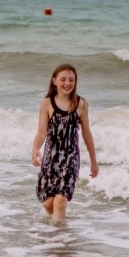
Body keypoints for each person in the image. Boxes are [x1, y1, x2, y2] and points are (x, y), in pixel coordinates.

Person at [31, 63, 98, 220]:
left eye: (71, 80)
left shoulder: (80, 104)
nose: (67, 83)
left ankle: (57, 240)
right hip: (50, 159)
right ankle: (58, 225)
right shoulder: (46, 103)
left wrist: (94, 162)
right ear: (54, 81)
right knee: (49, 203)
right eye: (63, 79)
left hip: (70, 158)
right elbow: (41, 133)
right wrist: (35, 149)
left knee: (60, 201)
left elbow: (87, 134)